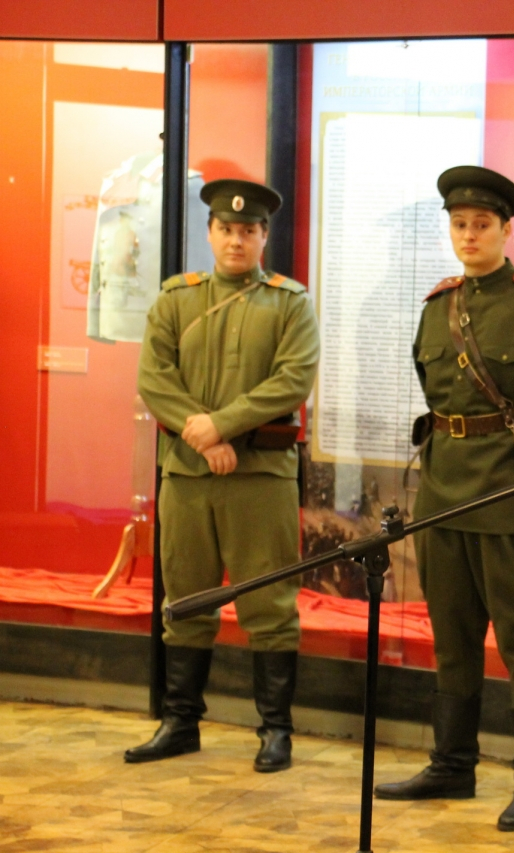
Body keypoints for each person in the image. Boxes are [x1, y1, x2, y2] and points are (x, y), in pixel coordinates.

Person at [374, 166, 514, 832]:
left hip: (508, 492)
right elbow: (434, 394)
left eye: (481, 224)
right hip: (442, 491)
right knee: (451, 635)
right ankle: (452, 763)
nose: (469, 235)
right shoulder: (437, 307)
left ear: (506, 230)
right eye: (459, 224)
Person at [128, 179, 320, 773]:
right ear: (210, 233)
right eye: (226, 229)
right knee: (186, 599)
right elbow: (153, 378)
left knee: (270, 603)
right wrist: (204, 436)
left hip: (260, 476)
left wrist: (222, 426)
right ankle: (180, 722)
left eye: (248, 231)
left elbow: (292, 380)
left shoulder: (291, 304)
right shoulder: (176, 300)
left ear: (264, 236)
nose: (237, 240)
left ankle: (276, 731)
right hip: (188, 476)